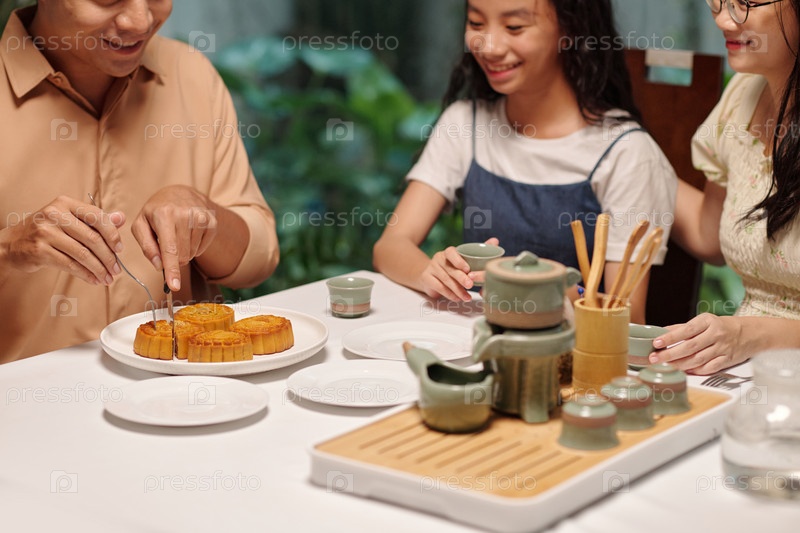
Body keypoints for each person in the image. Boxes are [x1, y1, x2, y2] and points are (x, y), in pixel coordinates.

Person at [0, 1, 279, 363]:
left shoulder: (190, 73)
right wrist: (9, 250)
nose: (141, 20)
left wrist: (205, 213)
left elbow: (259, 258)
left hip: (182, 387)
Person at [372, 0, 677, 324]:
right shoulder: (465, 124)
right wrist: (430, 273)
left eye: (514, 27)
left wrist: (547, 290)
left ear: (570, 30)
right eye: (476, 23)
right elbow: (390, 246)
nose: (489, 47)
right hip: (476, 342)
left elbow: (626, 320)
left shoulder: (625, 152)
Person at [650, 0, 800, 374]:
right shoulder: (743, 96)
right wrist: (630, 157)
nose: (723, 20)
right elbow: (708, 235)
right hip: (748, 371)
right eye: (718, 2)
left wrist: (751, 334)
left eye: (744, 3)